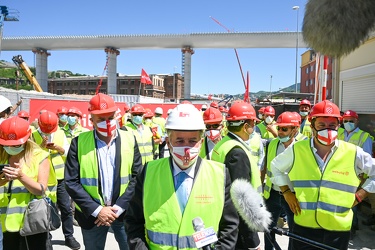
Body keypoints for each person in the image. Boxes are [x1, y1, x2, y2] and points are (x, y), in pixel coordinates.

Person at [125, 103, 239, 249]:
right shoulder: (148, 172)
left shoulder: (220, 174)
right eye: (179, 141)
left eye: (192, 141)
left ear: (201, 142)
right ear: (168, 142)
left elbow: (229, 227)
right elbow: (133, 222)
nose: (186, 148)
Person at [271, 100, 375, 250]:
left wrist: (361, 194)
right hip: (304, 226)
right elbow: (275, 167)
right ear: (312, 125)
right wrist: (286, 192)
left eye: (332, 125)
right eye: (321, 125)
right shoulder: (297, 150)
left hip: (337, 230)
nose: (327, 130)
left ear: (339, 125)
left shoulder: (353, 152)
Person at [65, 93, 143, 250]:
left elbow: (137, 177)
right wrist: (98, 210)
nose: (107, 123)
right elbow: (71, 182)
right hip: (92, 216)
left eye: (110, 117)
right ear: (91, 119)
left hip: (124, 212)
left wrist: (118, 207)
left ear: (116, 115)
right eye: (101, 119)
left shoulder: (130, 139)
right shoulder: (79, 142)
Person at [211, 101, 262, 250]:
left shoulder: (223, 144)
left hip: (224, 218)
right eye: (253, 124)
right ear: (246, 126)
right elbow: (241, 202)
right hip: (237, 230)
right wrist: (252, 241)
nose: (254, 128)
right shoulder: (237, 153)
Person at [0, 116, 57, 250]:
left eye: (16, 145)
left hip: (32, 222)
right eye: (7, 145)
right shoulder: (2, 155)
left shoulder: (40, 156)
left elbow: (41, 190)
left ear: (27, 139)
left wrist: (21, 176)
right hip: (5, 222)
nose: (11, 148)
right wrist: (3, 180)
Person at [31, 111, 80, 249]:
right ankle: (47, 238)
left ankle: (69, 236)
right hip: (43, 179)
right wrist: (40, 147)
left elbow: (69, 151)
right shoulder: (33, 134)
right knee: (45, 209)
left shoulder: (59, 133)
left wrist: (59, 148)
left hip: (60, 177)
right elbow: (29, 155)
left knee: (66, 208)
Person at [262, 112, 305, 250]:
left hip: (294, 196)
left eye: (284, 129)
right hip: (273, 194)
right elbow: (265, 167)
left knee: (295, 231)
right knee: (268, 228)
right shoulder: (272, 144)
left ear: (295, 129)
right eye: (279, 128)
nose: (279, 132)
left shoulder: (305, 146)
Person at [338, 110, 374, 236]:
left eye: (351, 121)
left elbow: (368, 158)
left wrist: (362, 176)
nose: (348, 123)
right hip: (340, 173)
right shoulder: (340, 133)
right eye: (345, 121)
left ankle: (351, 229)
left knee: (352, 202)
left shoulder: (364, 136)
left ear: (357, 121)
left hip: (356, 175)